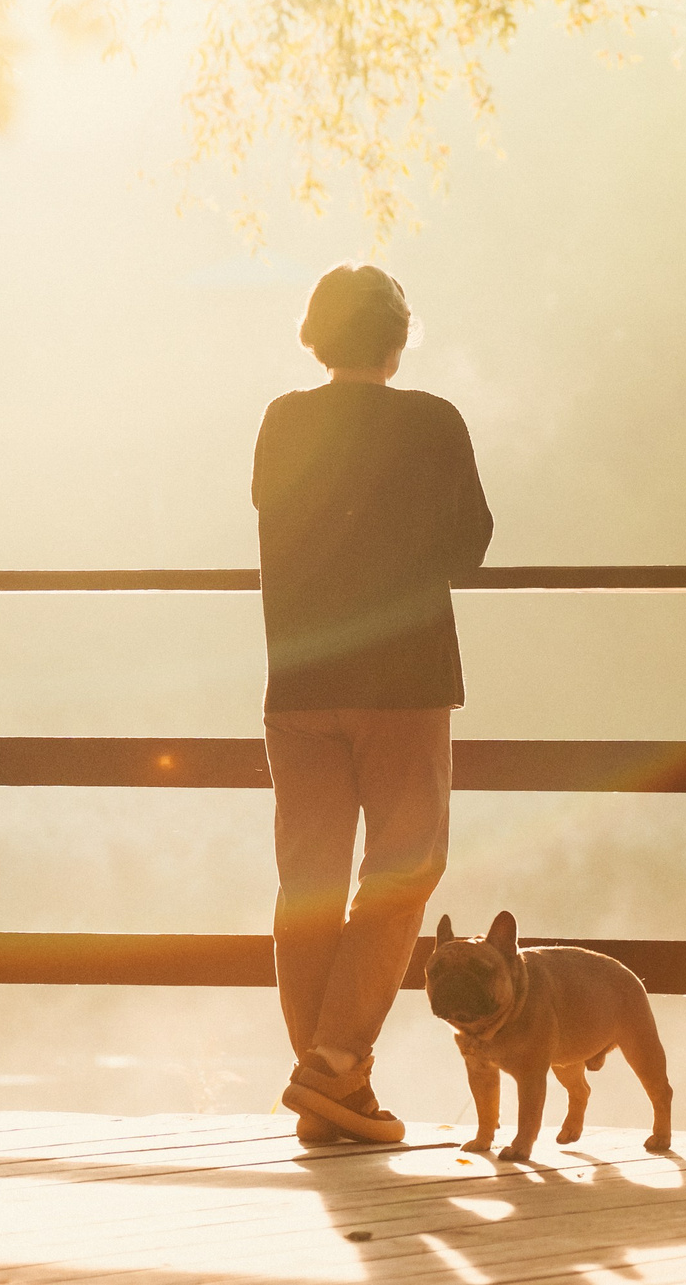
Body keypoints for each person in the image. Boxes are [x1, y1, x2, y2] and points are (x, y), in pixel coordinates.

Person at [254, 263, 493, 1146]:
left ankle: (334, 1085)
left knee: (307, 884)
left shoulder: (282, 422)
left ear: (317, 336)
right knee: (403, 871)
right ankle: (333, 1068)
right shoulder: (431, 421)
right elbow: (467, 546)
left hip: (302, 683)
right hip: (402, 681)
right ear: (397, 341)